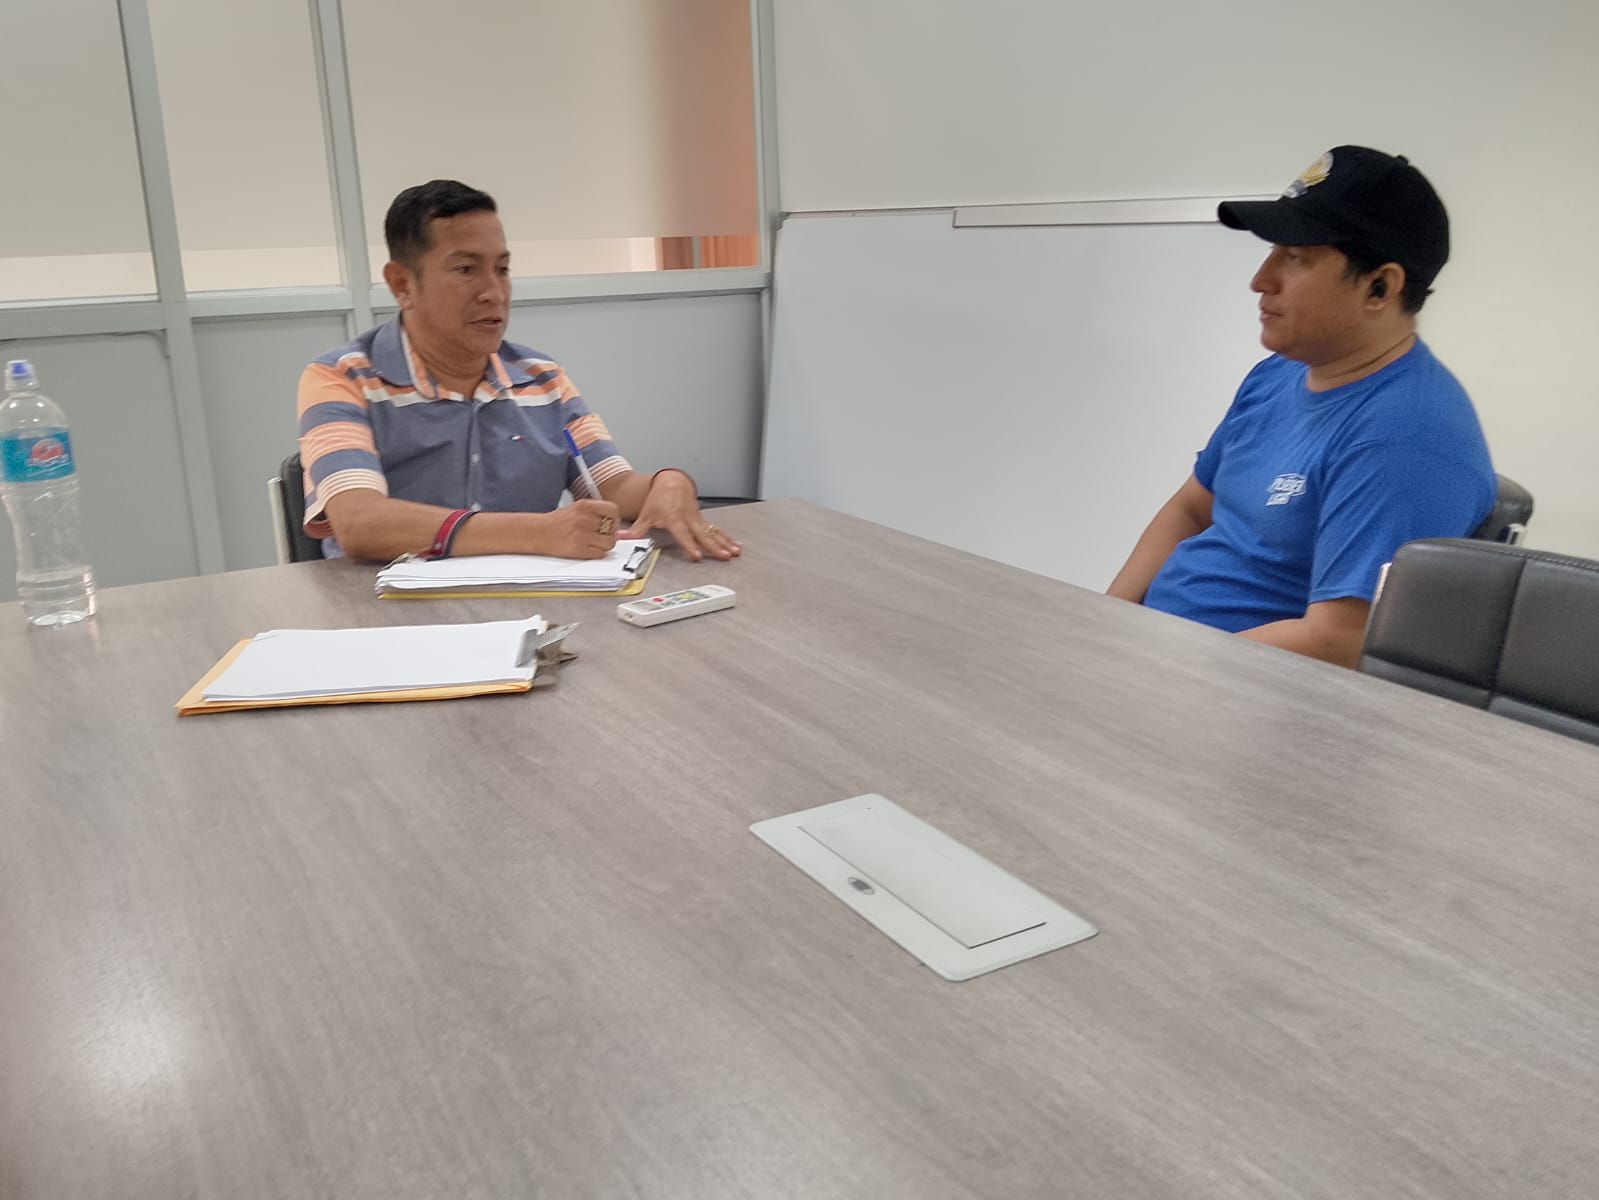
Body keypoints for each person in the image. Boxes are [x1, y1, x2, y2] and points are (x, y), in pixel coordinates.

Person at [1106, 145, 1494, 668]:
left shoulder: (1407, 434)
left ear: (1380, 287)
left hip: (1235, 687)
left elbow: (1338, 640)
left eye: (1295, 258)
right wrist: (1106, 623)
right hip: (1162, 654)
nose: (1260, 280)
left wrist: (1158, 663)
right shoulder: (1278, 374)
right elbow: (1191, 508)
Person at [296, 179, 742, 564]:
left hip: (528, 610)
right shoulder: (342, 377)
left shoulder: (542, 379)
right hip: (385, 617)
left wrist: (669, 484)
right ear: (401, 285)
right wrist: (539, 532)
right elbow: (360, 522)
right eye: (466, 270)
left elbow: (614, 486)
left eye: (503, 269)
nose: (494, 292)